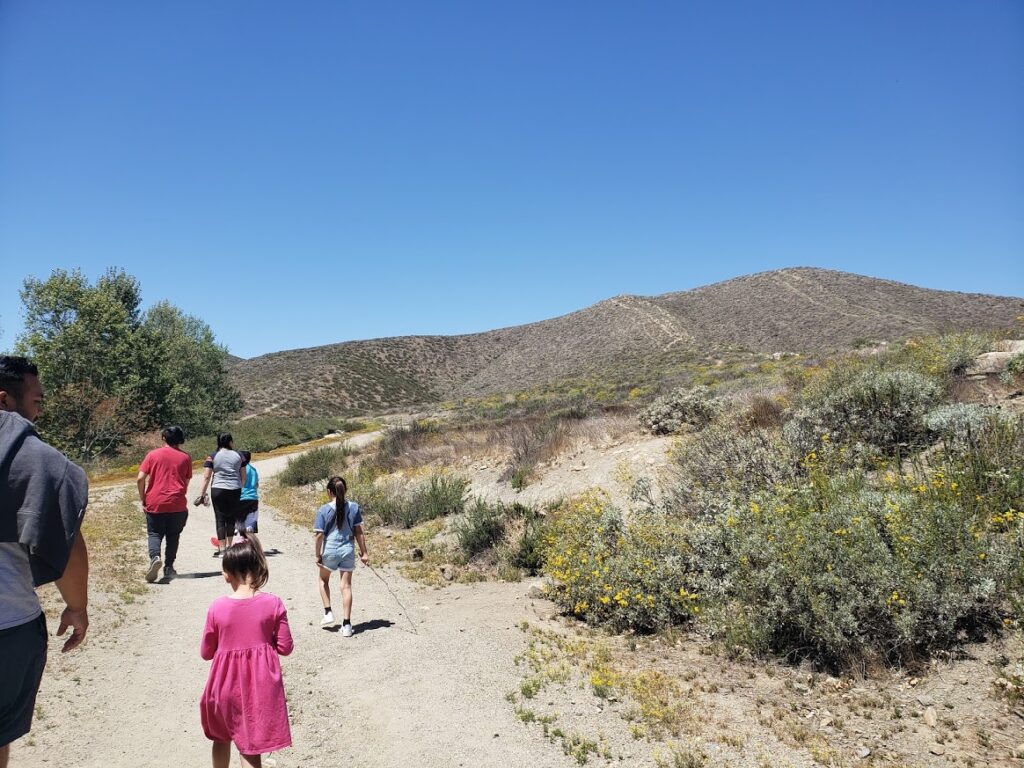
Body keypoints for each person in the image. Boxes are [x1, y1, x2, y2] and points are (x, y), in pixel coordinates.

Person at [0, 356, 89, 768]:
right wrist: (76, 607)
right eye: (36, 400)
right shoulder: (40, 462)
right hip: (8, 629)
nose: (40, 409)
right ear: (5, 399)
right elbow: (68, 544)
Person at [200, 537, 292, 768]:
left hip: (224, 685)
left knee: (221, 738)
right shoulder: (274, 604)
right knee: (250, 746)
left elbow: (206, 652)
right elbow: (285, 647)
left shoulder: (217, 607)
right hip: (259, 688)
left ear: (228, 574)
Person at [314, 476, 369, 636]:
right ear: (345, 490)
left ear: (329, 492)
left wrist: (317, 555)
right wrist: (364, 553)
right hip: (347, 550)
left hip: (330, 550)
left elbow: (319, 536)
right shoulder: (354, 507)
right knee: (346, 586)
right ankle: (346, 625)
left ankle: (328, 612)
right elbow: (359, 532)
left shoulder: (323, 510)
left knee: (323, 580)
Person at [137, 425, 192, 582]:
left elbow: (140, 478)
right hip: (177, 503)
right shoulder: (186, 457)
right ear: (180, 439)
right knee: (173, 536)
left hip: (155, 501)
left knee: (154, 533)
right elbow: (186, 482)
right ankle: (169, 567)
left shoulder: (153, 455)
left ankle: (155, 557)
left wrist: (143, 498)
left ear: (163, 438)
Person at [197, 434, 246, 556]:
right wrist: (240, 486)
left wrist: (202, 494)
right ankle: (230, 547)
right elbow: (243, 476)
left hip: (218, 489)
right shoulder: (240, 456)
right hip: (235, 489)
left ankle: (222, 549)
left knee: (220, 518)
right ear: (230, 441)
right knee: (231, 518)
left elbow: (207, 476)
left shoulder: (212, 456)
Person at [237, 451, 259, 541]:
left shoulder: (239, 469)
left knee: (240, 523)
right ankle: (251, 543)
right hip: (253, 498)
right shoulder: (253, 470)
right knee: (250, 524)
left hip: (241, 498)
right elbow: (257, 485)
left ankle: (241, 542)